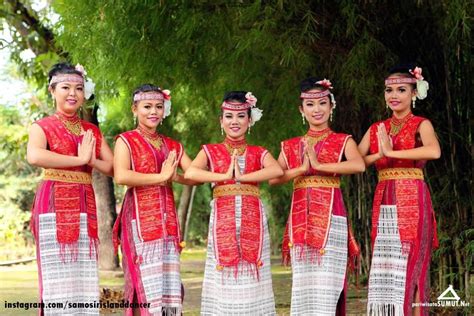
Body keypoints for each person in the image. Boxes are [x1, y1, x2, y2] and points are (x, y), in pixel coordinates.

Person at [270, 77, 364, 315]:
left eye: (322, 103)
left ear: (331, 106)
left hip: (333, 216)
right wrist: (300, 170)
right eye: (310, 105)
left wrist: (320, 166)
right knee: (304, 282)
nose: (317, 110)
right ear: (302, 110)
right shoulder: (291, 145)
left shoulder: (343, 140)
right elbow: (274, 178)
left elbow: (359, 165)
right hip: (301, 220)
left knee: (329, 282)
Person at [184, 91, 283, 315]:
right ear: (221, 121)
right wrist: (223, 176)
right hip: (222, 221)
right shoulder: (210, 150)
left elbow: (277, 170)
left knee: (253, 277)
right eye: (228, 116)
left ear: (250, 120)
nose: (234, 122)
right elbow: (191, 173)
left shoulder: (259, 152)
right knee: (223, 278)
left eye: (240, 117)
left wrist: (243, 177)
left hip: (253, 221)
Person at [27, 62, 114, 314]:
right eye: (65, 87)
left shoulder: (91, 130)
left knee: (83, 272)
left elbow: (111, 167)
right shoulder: (41, 126)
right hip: (52, 204)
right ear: (52, 90)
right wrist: (79, 160)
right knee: (57, 273)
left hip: (84, 205)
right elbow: (35, 156)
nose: (72, 93)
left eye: (78, 88)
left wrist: (90, 160)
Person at [358, 64, 441, 316]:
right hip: (384, 199)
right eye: (389, 90)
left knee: (412, 262)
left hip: (412, 199)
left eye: (401, 89)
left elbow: (433, 151)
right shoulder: (376, 128)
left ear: (414, 93)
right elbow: (355, 162)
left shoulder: (420, 123)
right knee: (387, 267)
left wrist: (391, 152)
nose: (394, 95)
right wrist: (378, 155)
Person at [113, 84, 195, 315]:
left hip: (166, 222)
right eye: (147, 106)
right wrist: (161, 177)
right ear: (134, 109)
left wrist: (174, 176)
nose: (154, 112)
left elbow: (193, 175)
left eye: (159, 106)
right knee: (143, 283)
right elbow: (121, 176)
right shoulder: (126, 140)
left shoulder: (172, 145)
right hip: (138, 219)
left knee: (166, 283)